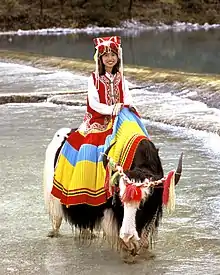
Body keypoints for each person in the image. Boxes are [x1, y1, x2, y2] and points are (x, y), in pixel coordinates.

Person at [51, 36, 148, 207]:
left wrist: (127, 105)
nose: (110, 58)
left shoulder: (121, 77)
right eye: (106, 55)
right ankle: (91, 186)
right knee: (90, 146)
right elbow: (94, 102)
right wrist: (111, 109)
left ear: (118, 57)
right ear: (100, 59)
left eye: (113, 55)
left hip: (119, 117)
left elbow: (127, 96)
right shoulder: (93, 79)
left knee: (138, 137)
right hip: (98, 119)